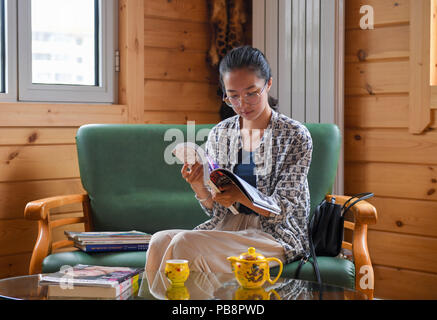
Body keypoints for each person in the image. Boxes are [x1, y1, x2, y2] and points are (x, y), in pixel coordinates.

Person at [145, 46, 312, 285]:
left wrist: (243, 197)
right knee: (160, 241)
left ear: (269, 84)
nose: (242, 103)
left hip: (275, 234)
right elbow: (215, 209)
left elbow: (283, 209)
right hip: (228, 227)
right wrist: (199, 188)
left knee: (185, 243)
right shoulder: (221, 133)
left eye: (251, 93)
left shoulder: (295, 136)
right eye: (233, 95)